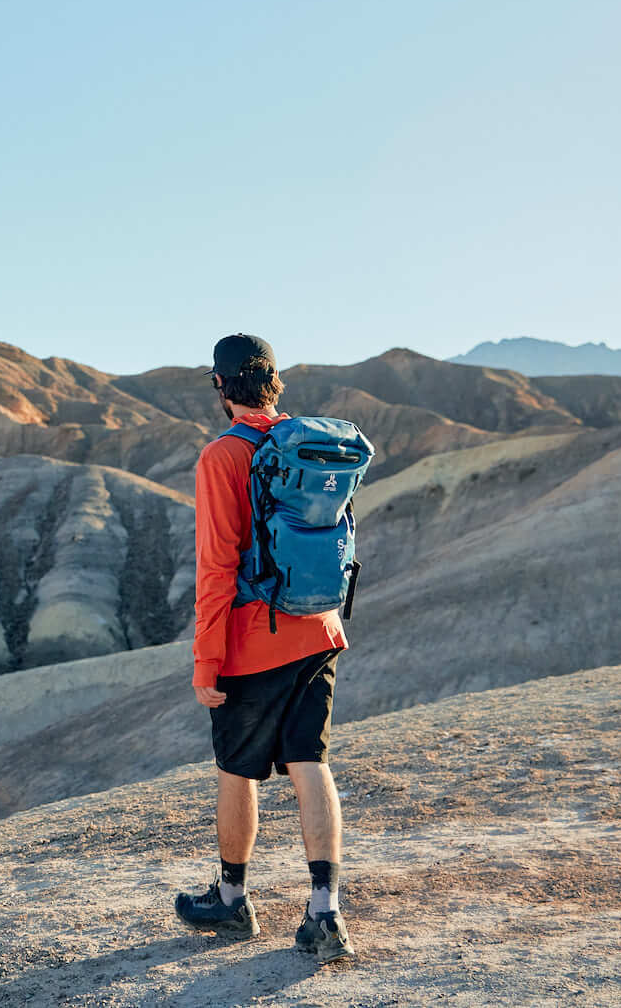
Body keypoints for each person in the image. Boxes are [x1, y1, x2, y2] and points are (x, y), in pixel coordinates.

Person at [172, 332, 352, 961]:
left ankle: (230, 900)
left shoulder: (223, 456)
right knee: (310, 761)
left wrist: (206, 661)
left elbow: (217, 568)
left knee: (236, 769)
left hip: (254, 641)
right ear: (275, 382)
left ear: (220, 385)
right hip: (319, 627)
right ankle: (325, 911)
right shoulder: (312, 445)